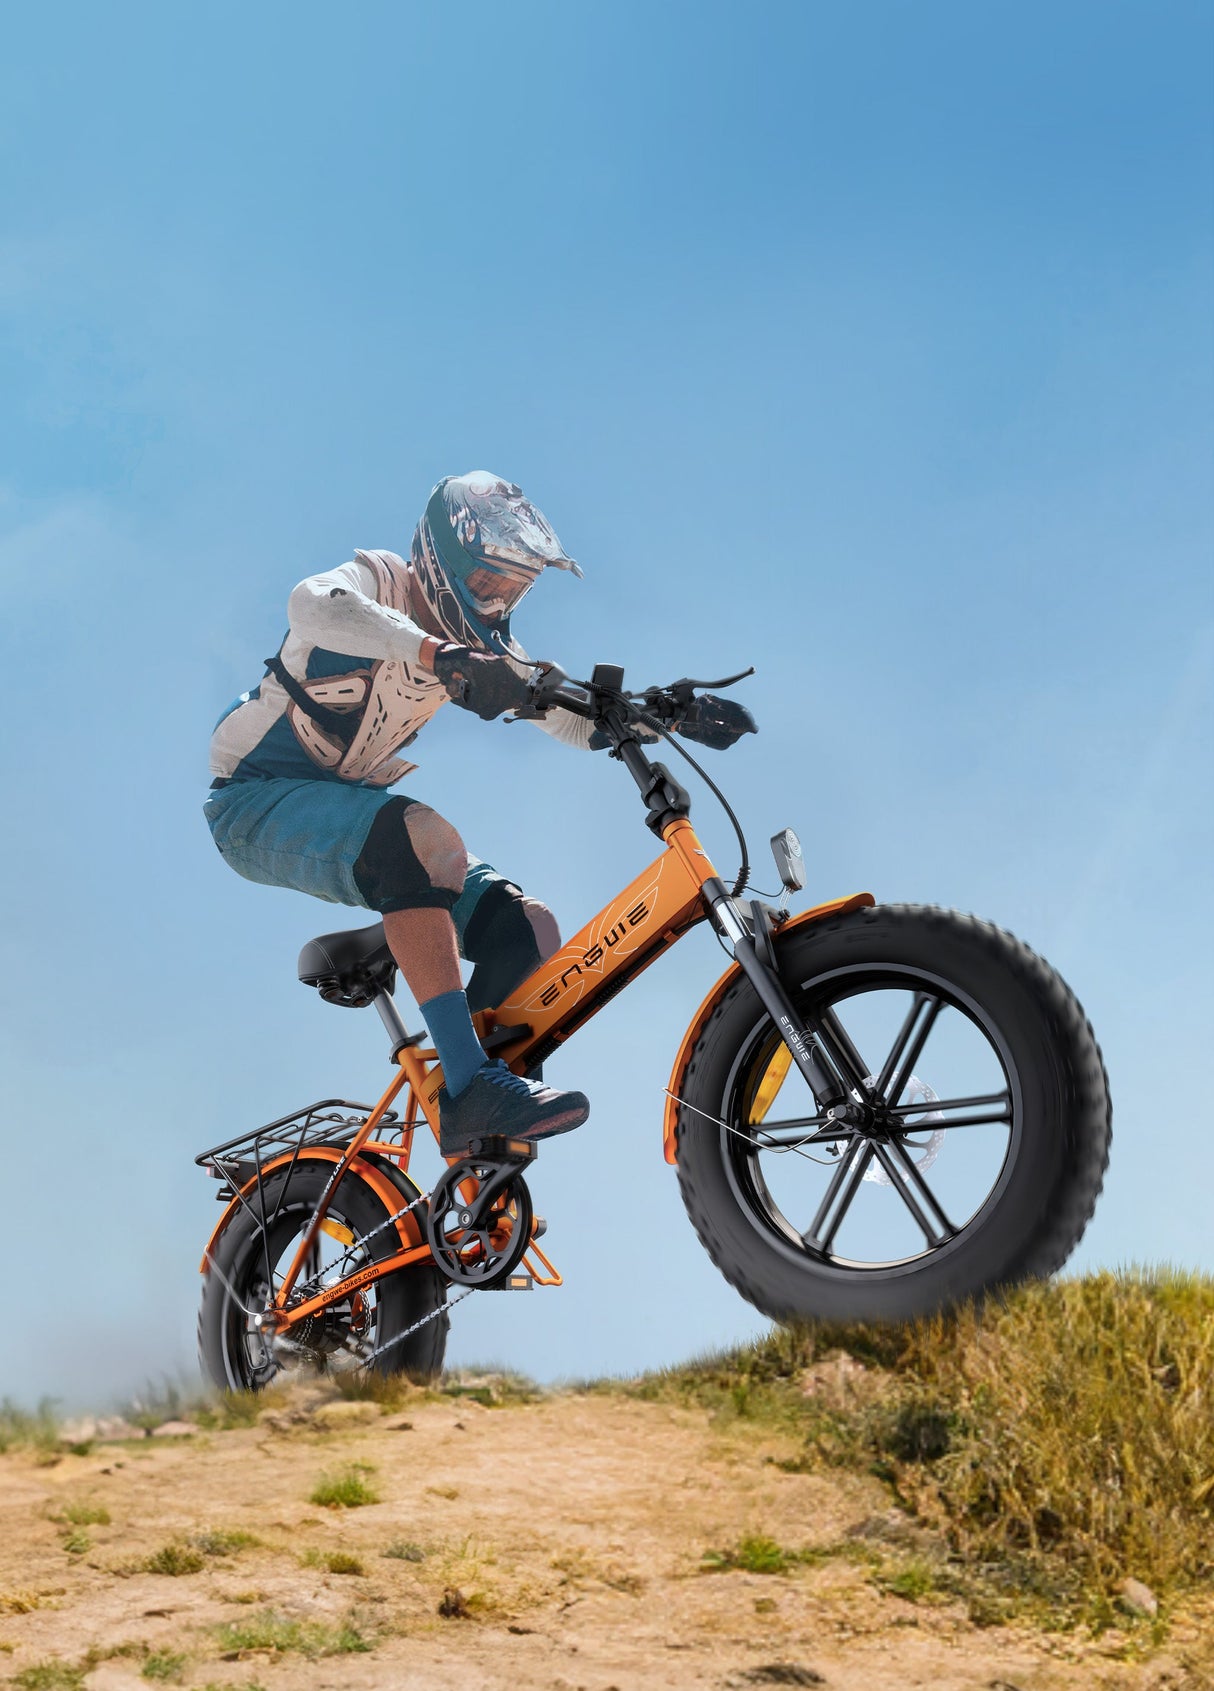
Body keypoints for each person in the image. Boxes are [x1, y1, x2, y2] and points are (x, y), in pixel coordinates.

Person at [205, 471, 597, 1154]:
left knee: (529, 928)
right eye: (488, 583)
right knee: (428, 839)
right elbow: (311, 603)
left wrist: (660, 715)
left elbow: (564, 718)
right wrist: (435, 651)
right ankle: (469, 1088)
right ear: (445, 558)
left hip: (348, 804)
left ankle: (479, 1121)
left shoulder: (484, 649)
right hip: (253, 800)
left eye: (513, 590)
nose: (499, 601)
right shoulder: (379, 583)